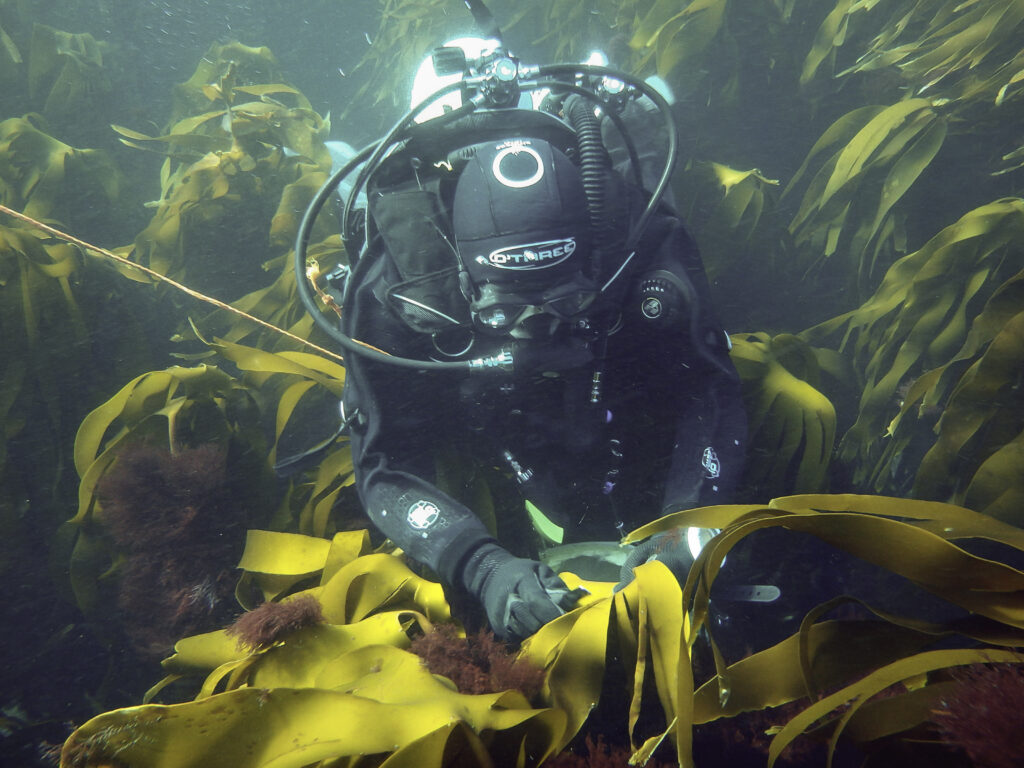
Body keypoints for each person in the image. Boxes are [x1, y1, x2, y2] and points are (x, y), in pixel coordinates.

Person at [296, 33, 748, 641]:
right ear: (460, 271)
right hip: (466, 388)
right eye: (512, 310)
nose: (537, 331)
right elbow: (383, 461)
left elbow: (708, 389)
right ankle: (344, 163)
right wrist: (482, 567)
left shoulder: (632, 234)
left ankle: (612, 94)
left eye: (560, 302)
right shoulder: (399, 286)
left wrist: (684, 531)